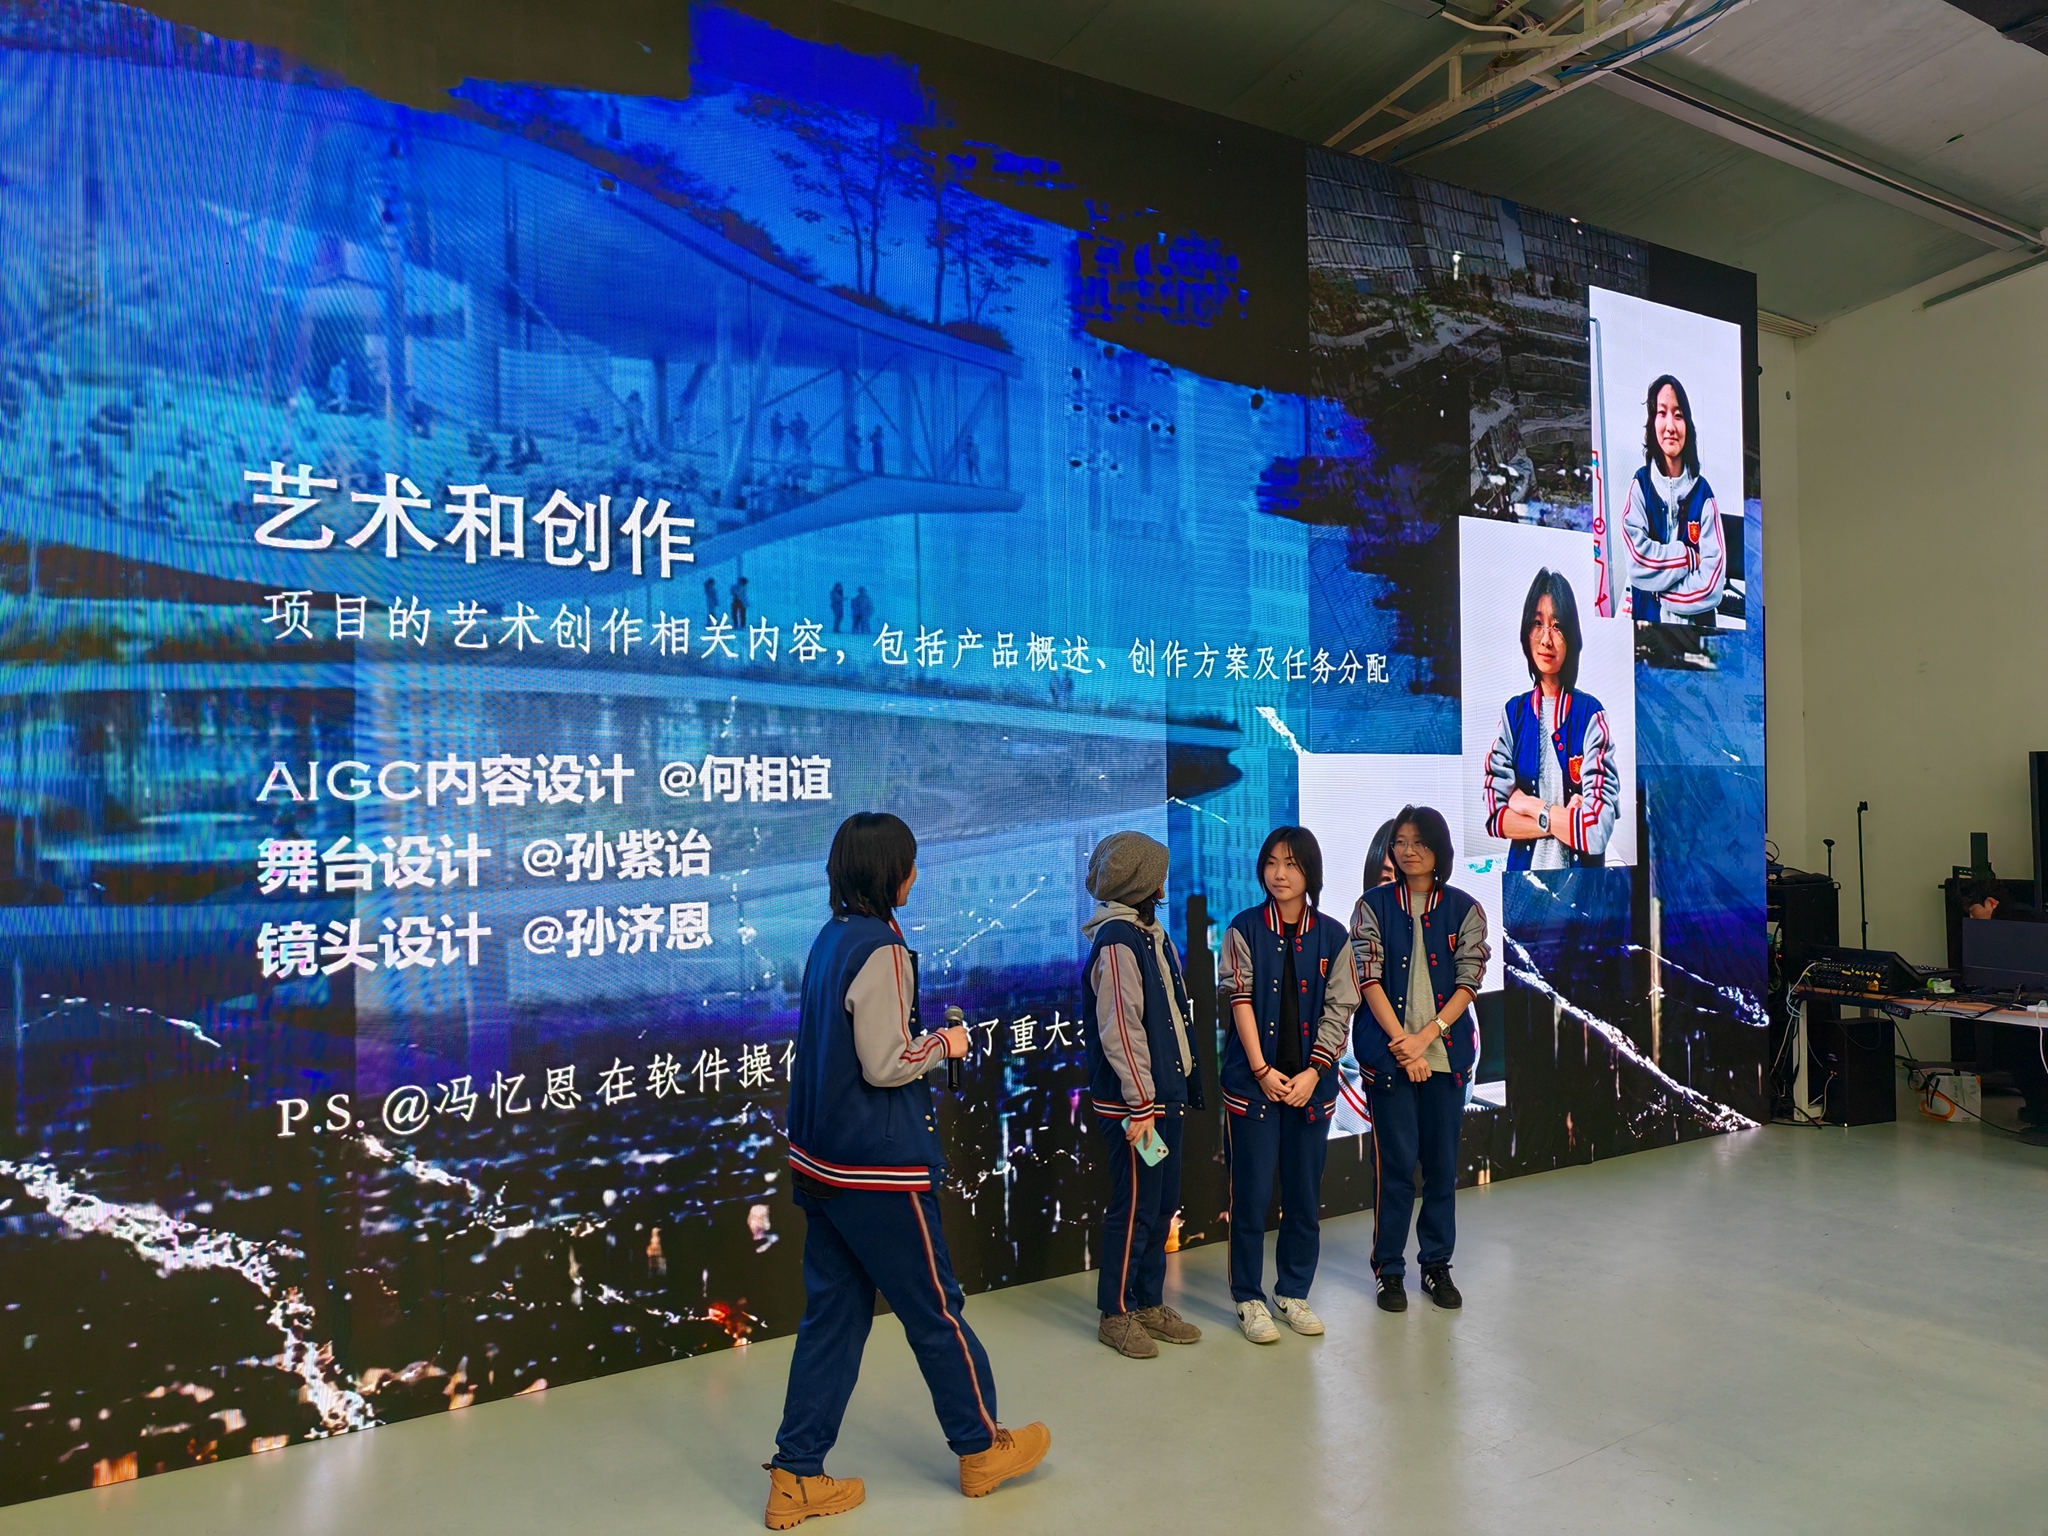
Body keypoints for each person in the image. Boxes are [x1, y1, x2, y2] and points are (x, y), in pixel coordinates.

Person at [767, 813, 1050, 1526]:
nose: (916, 874)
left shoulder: (829, 939)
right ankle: (981, 1447)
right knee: (934, 1309)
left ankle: (795, 1475)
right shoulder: (883, 949)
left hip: (823, 1165)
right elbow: (887, 1061)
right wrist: (947, 1045)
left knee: (833, 1319)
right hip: (878, 1171)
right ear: (890, 873)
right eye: (910, 863)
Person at [1219, 826, 1361, 1344]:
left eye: (1292, 864)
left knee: (1303, 1196)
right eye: (1272, 863)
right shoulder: (1243, 928)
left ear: (1310, 873)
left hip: (1310, 1088)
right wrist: (1262, 1070)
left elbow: (1340, 1009)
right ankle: (1248, 1298)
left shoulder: (1333, 936)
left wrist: (1314, 1072)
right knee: (1251, 1195)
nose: (1279, 874)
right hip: (1252, 1085)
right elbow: (1239, 1002)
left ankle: (1292, 1292)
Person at [1349, 805, 1490, 1313]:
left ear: (1439, 851)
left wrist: (1428, 1036)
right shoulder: (1371, 906)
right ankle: (1389, 1270)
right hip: (1390, 1057)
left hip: (1446, 1055)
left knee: (1441, 1167)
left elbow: (1469, 981)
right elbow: (1367, 978)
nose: (1408, 851)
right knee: (1394, 1169)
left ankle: (1436, 1265)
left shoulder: (1465, 909)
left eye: (1419, 842)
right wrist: (1403, 1044)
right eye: (1401, 842)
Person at [1082, 830, 1206, 1359]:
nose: (1164, 884)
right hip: (1138, 1108)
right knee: (1133, 1208)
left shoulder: (1149, 933)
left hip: (1164, 1098)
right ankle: (1116, 1312)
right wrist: (1140, 1105)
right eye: (1158, 875)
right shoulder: (1117, 941)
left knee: (1160, 1206)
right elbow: (1121, 1028)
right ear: (1141, 883)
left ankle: (1149, 1301)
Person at [1484, 568, 1617, 871]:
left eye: (1557, 626)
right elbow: (1495, 816)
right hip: (1525, 888)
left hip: (1580, 890)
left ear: (1572, 637)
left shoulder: (1591, 715)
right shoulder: (1513, 714)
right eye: (1537, 624)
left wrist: (1528, 805)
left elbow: (1595, 833)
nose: (1546, 639)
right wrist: (1563, 819)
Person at [1623, 373, 1727, 623]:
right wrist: (1688, 558)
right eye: (1662, 413)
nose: (1670, 426)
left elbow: (1712, 584)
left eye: (1678, 415)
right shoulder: (1640, 486)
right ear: (1652, 422)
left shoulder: (1704, 494)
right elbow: (1637, 563)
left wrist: (1659, 593)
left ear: (1687, 425)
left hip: (1695, 636)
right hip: (1647, 631)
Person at [1958, 876, 2048, 1128]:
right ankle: (2038, 1111)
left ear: (1991, 902)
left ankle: (2041, 1112)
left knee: (2022, 1051)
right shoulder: (2021, 918)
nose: (1973, 919)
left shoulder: (2019, 921)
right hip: (2027, 1002)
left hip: (2034, 1004)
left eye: (1974, 912)